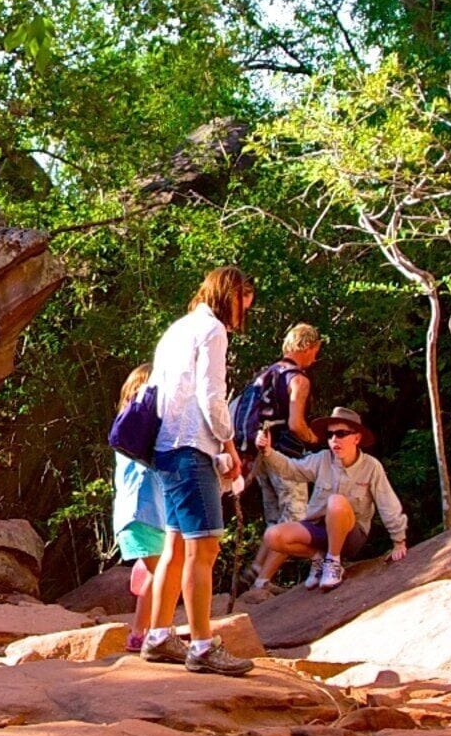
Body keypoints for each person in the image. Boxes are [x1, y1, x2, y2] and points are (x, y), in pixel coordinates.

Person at [138, 266, 259, 675]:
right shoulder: (212, 331)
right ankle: (203, 645)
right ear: (232, 294)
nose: (245, 310)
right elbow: (212, 395)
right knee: (204, 547)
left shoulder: (177, 329)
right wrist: (229, 444)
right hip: (191, 447)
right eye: (245, 301)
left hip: (164, 447)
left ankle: (158, 636)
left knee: (175, 544)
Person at [260, 407, 410, 590]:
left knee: (336, 502)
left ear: (357, 438)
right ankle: (318, 558)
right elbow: (291, 469)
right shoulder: (322, 459)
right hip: (319, 529)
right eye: (330, 435)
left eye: (341, 434)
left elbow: (388, 503)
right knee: (273, 536)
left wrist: (398, 541)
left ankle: (333, 564)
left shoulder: (371, 467)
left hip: (351, 536)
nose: (334, 440)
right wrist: (268, 451)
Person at [234, 323, 323, 542]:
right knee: (296, 517)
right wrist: (314, 439)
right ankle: (262, 570)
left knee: (274, 519)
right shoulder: (298, 379)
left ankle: (261, 574)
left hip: (261, 454)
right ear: (307, 346)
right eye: (315, 351)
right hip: (286, 456)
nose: (314, 358)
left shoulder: (267, 374)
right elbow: (295, 424)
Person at [107, 363, 168, 638]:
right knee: (165, 575)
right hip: (142, 516)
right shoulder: (139, 432)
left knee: (158, 575)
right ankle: (150, 634)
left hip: (144, 517)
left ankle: (143, 632)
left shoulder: (127, 429)